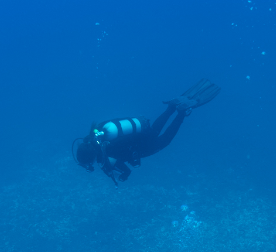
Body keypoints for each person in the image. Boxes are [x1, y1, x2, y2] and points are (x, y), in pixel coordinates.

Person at [74, 79, 220, 186]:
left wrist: (122, 177)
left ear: (90, 159)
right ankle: (171, 107)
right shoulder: (95, 135)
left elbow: (126, 171)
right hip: (139, 133)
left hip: (141, 147)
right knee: (153, 131)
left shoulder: (105, 159)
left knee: (165, 140)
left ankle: (181, 113)